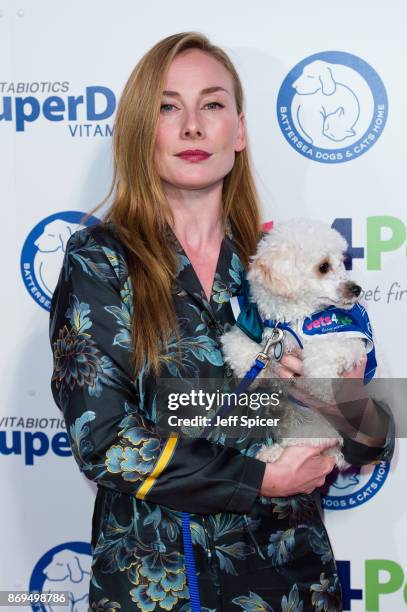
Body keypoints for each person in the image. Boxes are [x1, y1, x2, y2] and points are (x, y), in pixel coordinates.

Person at [49, 32, 394, 612]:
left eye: (212, 104)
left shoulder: (286, 263)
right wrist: (262, 474)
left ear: (239, 131)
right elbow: (104, 439)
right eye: (167, 107)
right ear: (141, 131)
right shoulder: (101, 261)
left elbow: (373, 434)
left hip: (292, 583)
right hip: (159, 584)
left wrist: (328, 396)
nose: (191, 127)